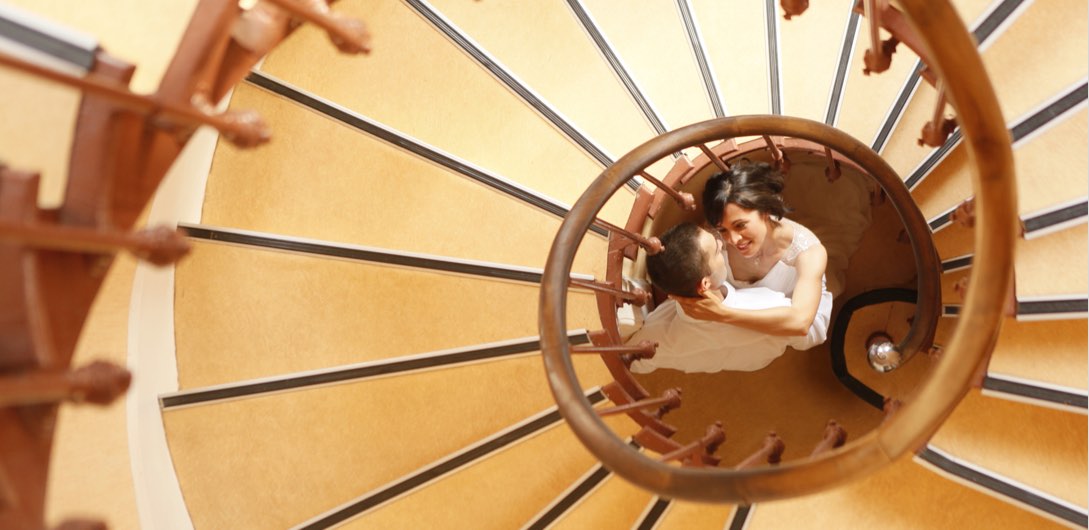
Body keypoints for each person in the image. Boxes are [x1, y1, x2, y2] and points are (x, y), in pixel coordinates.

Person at [676, 161, 832, 346]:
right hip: (738, 306)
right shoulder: (712, 236)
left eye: (740, 225)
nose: (733, 240)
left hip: (797, 310)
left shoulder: (809, 252)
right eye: (723, 230)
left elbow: (801, 322)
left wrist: (722, 314)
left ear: (765, 211)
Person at [627, 223, 803, 373]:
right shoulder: (767, 305)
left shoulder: (658, 332)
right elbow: (804, 327)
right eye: (718, 251)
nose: (721, 241)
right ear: (705, 284)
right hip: (759, 354)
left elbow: (633, 360)